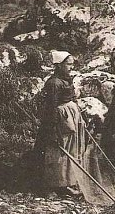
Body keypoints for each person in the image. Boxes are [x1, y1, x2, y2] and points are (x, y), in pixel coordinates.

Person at [35, 50, 85, 196]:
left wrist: (81, 117)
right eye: (68, 64)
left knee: (70, 150)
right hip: (60, 120)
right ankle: (52, 185)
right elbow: (52, 107)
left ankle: (66, 183)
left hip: (71, 117)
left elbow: (73, 97)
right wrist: (53, 129)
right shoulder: (54, 83)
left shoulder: (67, 79)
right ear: (59, 65)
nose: (71, 67)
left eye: (71, 64)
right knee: (57, 151)